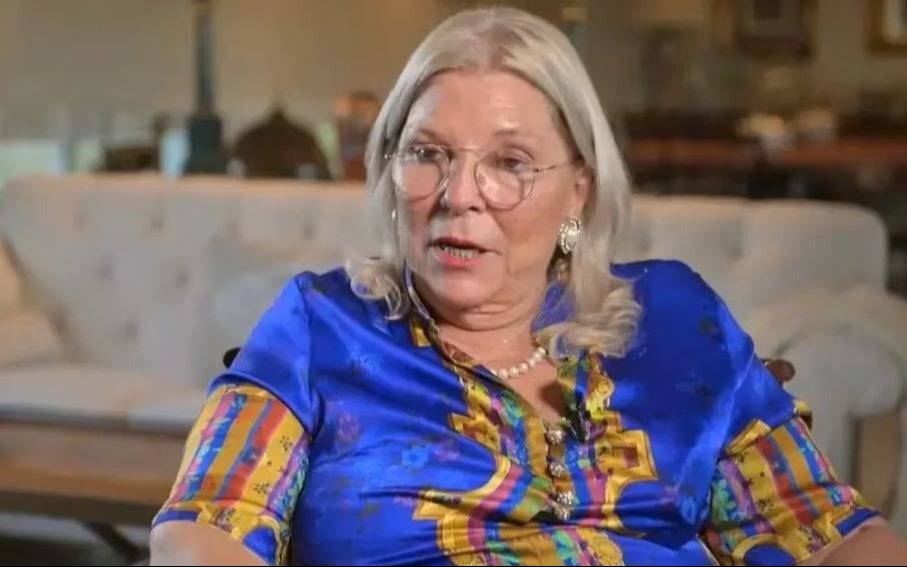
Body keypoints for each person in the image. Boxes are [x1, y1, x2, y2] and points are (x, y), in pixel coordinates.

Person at [149, 7, 907, 565]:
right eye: (427, 154)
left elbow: (830, 532)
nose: (459, 194)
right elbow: (205, 525)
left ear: (578, 189)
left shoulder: (677, 322)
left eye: (509, 163)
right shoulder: (321, 324)